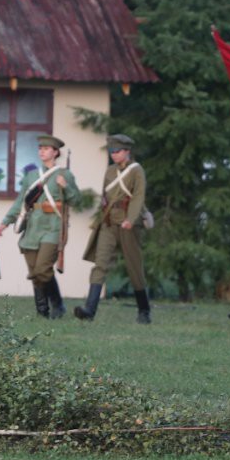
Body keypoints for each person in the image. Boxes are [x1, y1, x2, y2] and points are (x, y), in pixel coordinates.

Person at [0, 134, 79, 319]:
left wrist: (65, 187)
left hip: (53, 226)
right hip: (33, 227)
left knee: (42, 269)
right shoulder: (32, 176)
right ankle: (42, 311)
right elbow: (21, 202)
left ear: (56, 152)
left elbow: (76, 200)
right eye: (40, 148)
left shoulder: (64, 174)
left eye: (46, 148)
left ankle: (58, 305)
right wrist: (6, 221)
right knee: (35, 271)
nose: (42, 151)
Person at [75, 134, 151, 324]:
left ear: (127, 151)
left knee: (134, 267)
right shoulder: (110, 171)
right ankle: (89, 310)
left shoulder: (136, 171)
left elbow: (138, 197)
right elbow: (105, 198)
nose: (114, 155)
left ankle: (144, 311)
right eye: (112, 152)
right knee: (100, 263)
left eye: (117, 151)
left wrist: (131, 219)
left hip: (128, 224)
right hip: (109, 223)